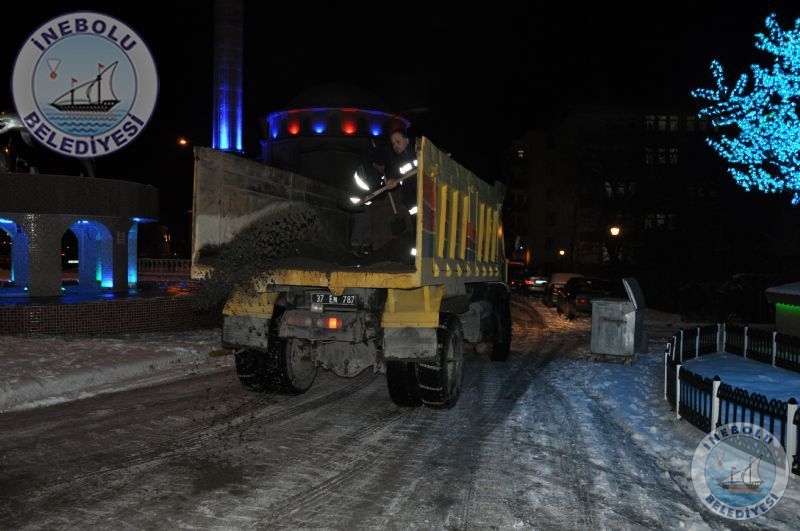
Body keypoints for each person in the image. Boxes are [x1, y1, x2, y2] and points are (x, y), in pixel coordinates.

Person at [383, 128, 418, 237]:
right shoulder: (395, 161)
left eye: (398, 142)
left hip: (429, 198)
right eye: (393, 143)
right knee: (417, 227)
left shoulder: (420, 150)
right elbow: (393, 174)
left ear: (406, 140)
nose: (395, 146)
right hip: (412, 202)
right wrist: (391, 181)